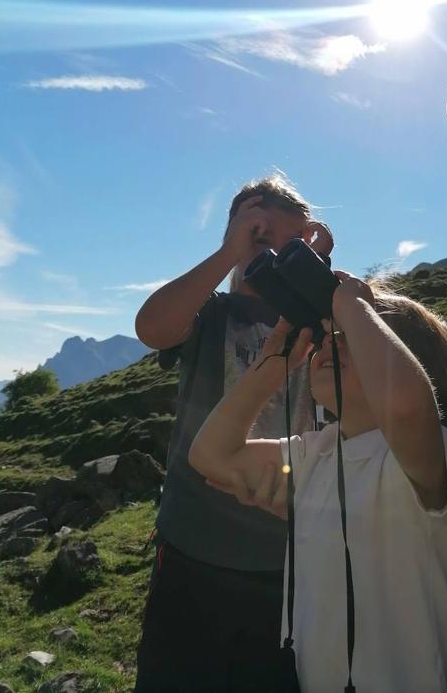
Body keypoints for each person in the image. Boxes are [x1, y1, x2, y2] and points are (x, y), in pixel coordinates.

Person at [189, 273, 447, 693]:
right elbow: (212, 457)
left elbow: (403, 405)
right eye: (332, 333)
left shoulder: (431, 456)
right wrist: (271, 369)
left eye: (350, 336)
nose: (330, 342)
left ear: (416, 367)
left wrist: (353, 304)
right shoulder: (316, 454)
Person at [133, 174, 331, 693]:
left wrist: (317, 274)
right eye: (248, 232)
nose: (256, 244)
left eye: (272, 236)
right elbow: (151, 326)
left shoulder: (322, 322)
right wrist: (227, 254)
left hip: (287, 562)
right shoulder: (211, 314)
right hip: (192, 553)